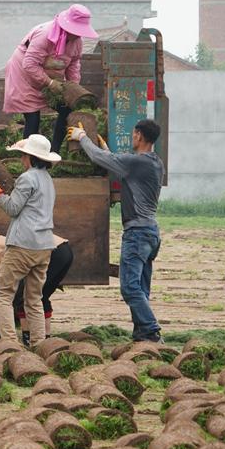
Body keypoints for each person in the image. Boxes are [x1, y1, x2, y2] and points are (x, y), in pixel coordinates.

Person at [68, 119, 164, 342]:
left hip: (137, 233)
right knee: (140, 288)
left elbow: (100, 160)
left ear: (139, 136)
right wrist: (107, 150)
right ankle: (142, 337)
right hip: (150, 232)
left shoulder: (137, 162)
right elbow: (120, 168)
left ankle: (151, 330)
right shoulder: (155, 162)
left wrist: (81, 137)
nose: (132, 138)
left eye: (133, 134)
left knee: (129, 288)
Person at [0, 134, 59, 346]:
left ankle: (10, 343)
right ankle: (39, 345)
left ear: (29, 157)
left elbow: (12, 208)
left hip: (23, 244)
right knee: (34, 298)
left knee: (2, 293)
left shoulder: (27, 178)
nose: (21, 159)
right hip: (45, 245)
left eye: (22, 155)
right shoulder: (47, 179)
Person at [4, 4, 98, 151]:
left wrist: (72, 89)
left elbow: (73, 65)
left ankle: (54, 153)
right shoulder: (45, 35)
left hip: (51, 77)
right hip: (24, 73)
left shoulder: (77, 42)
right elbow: (29, 64)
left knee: (66, 109)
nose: (78, 35)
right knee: (33, 117)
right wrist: (49, 82)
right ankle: (30, 158)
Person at [0, 224, 74, 346]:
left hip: (52, 253)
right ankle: (44, 340)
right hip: (63, 250)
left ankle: (27, 340)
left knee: (26, 298)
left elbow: (9, 278)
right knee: (40, 297)